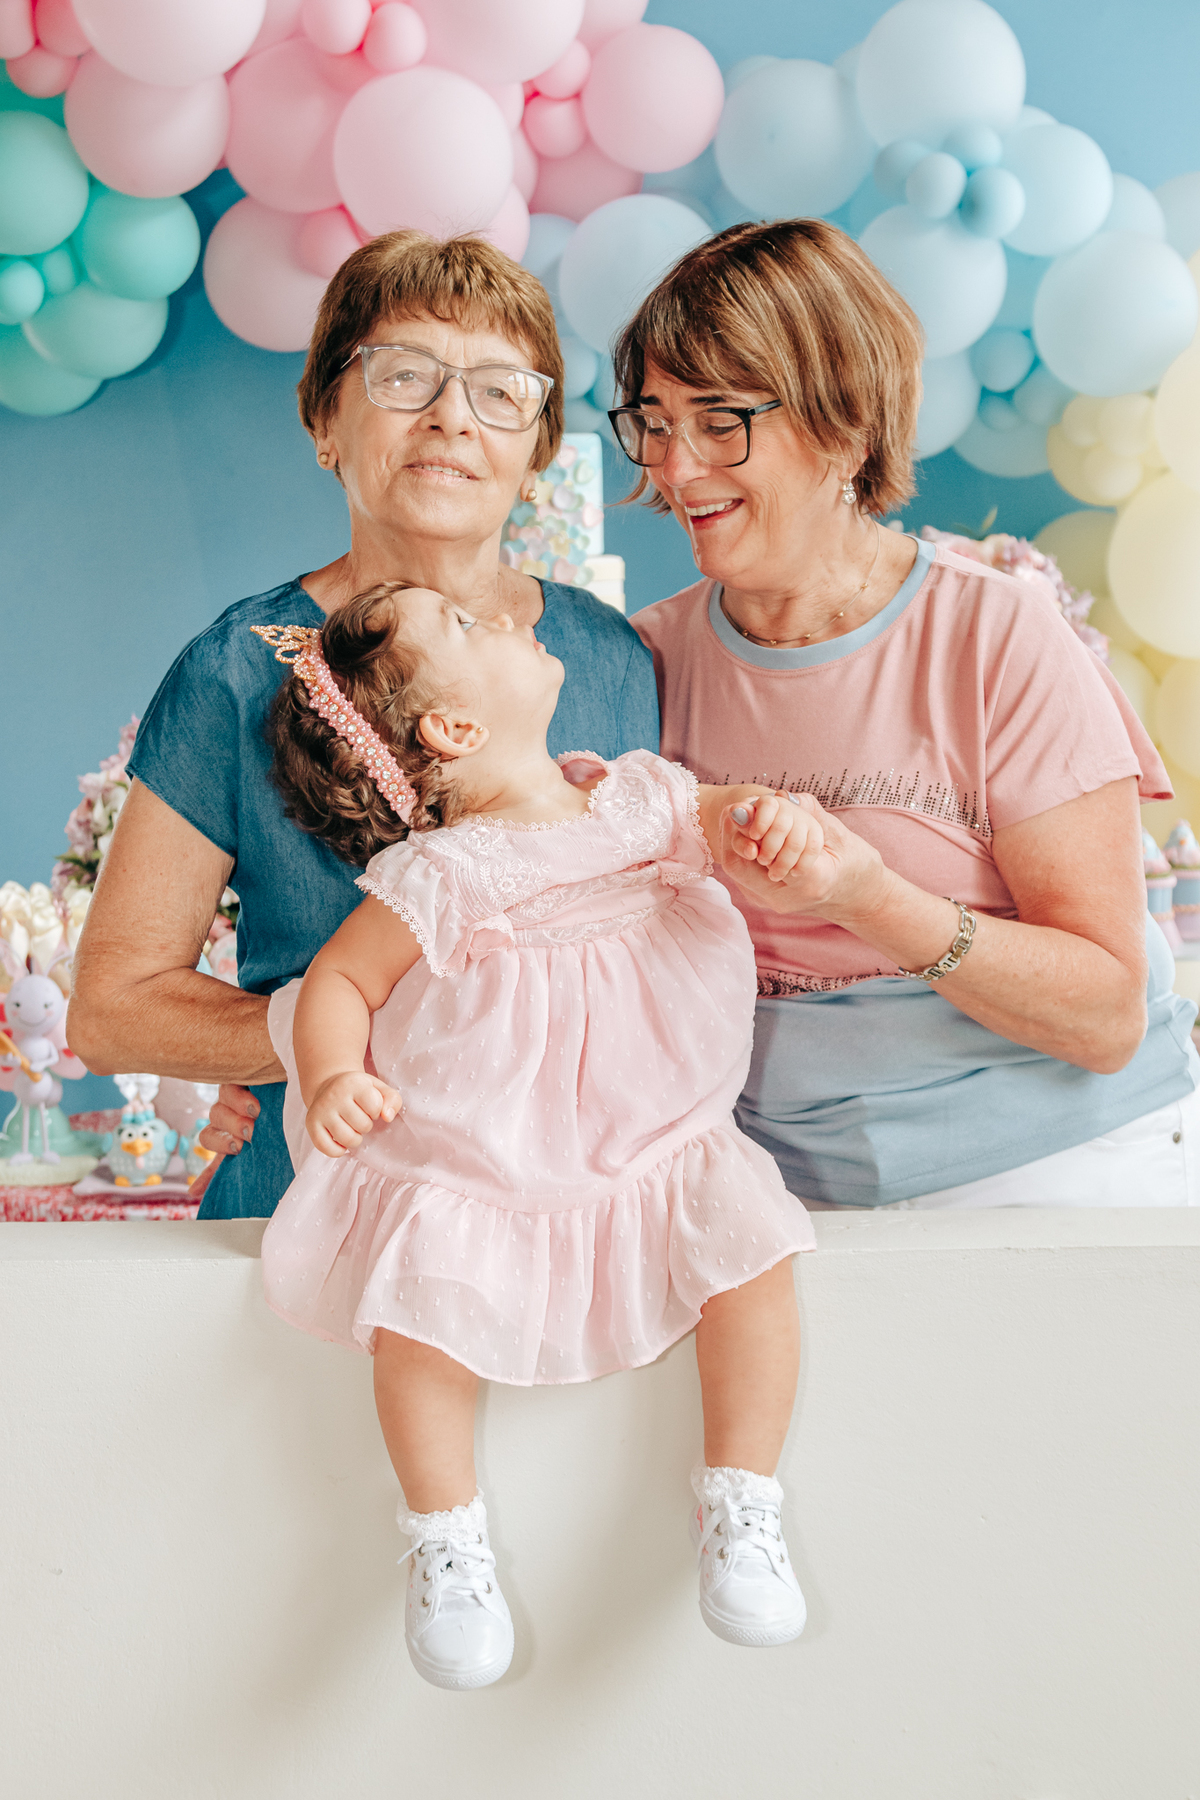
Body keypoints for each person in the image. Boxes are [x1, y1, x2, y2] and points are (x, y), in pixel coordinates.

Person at [254, 580, 817, 1687]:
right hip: (492, 1150)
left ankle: (744, 1504)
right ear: (454, 729)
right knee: (416, 1317)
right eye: (463, 627)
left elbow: (724, 818)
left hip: (661, 1136)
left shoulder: (633, 799)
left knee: (756, 1262)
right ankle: (445, 1535)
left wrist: (767, 817)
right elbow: (339, 983)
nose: (498, 613)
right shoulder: (442, 874)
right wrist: (329, 1075)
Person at [67, 232, 658, 1219]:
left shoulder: (614, 658)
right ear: (325, 422)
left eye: (500, 392)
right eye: (402, 376)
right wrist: (322, 1038)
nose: (450, 419)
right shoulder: (237, 670)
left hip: (567, 1228)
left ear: (537, 451)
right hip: (315, 1212)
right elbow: (112, 1008)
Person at [616, 218, 1198, 1212]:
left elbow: (1105, 1015)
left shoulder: (997, 636)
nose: (674, 467)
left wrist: (866, 896)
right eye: (655, 421)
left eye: (721, 422)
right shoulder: (641, 659)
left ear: (843, 425)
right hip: (782, 1204)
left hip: (1059, 1172)